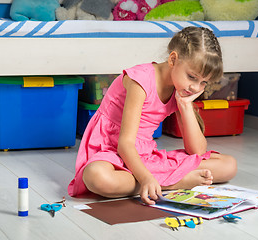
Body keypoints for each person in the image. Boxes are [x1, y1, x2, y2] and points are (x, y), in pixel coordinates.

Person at [68, 26, 237, 205]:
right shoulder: (141, 80)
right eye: (192, 77)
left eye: (204, 83)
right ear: (173, 59)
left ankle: (153, 180)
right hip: (112, 149)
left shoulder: (181, 89)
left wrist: (186, 105)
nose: (195, 87)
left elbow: (196, 151)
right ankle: (173, 182)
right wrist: (146, 178)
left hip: (144, 154)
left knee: (228, 165)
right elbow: (125, 145)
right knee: (97, 177)